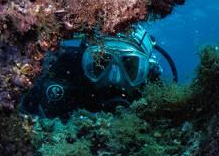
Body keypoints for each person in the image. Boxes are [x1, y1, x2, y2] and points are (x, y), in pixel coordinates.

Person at [21, 25, 177, 118]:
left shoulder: (152, 96)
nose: (114, 79)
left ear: (146, 71)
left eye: (130, 68)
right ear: (82, 60)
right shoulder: (62, 74)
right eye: (100, 63)